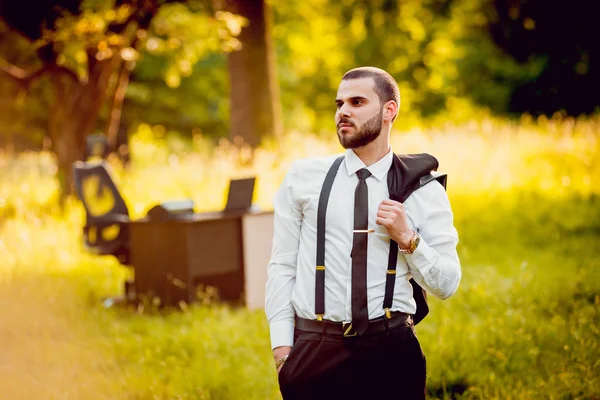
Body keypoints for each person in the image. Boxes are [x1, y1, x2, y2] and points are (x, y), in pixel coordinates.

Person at [265, 66, 461, 399]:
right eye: (339, 103)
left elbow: (447, 284)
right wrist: (283, 351)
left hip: (391, 349)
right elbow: (282, 266)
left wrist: (408, 239)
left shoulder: (423, 190)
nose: (343, 111)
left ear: (389, 110)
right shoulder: (303, 178)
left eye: (357, 102)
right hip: (315, 350)